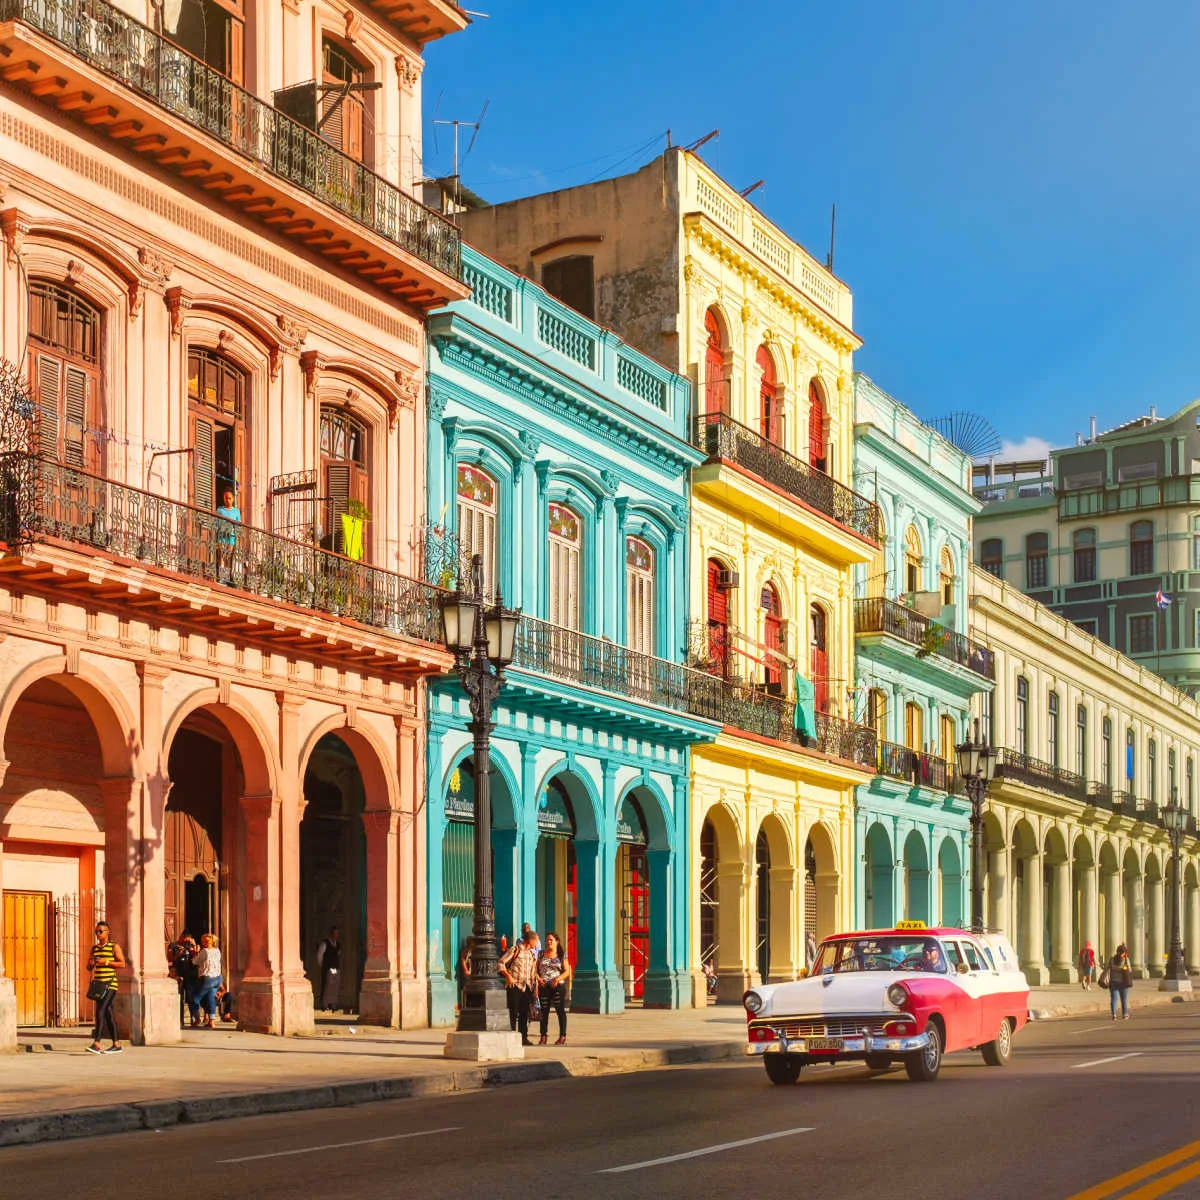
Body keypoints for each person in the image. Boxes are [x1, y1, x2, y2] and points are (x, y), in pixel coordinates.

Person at [87, 921, 126, 1055]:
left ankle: (96, 1043)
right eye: (96, 931)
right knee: (108, 1014)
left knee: (101, 1010)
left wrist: (106, 962)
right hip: (99, 986)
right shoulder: (95, 948)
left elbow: (122, 964)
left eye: (100, 931)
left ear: (107, 932)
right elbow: (89, 967)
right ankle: (117, 1044)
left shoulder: (114, 946)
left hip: (110, 984)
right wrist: (91, 963)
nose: (98, 934)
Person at [499, 927, 539, 1045]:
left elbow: (533, 972)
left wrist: (535, 988)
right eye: (535, 941)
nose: (536, 944)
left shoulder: (532, 954)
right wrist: (508, 976)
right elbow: (501, 963)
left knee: (524, 1013)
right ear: (530, 940)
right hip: (515, 986)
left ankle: (523, 1037)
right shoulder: (515, 950)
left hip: (527, 987)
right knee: (513, 1012)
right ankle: (511, 1037)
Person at [536, 931, 572, 1046]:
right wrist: (538, 979)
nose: (549, 942)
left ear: (557, 942)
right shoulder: (541, 954)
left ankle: (562, 1036)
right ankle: (543, 1036)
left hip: (557, 986)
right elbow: (535, 969)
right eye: (547, 940)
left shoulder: (562, 955)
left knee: (560, 1011)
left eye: (551, 940)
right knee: (544, 1011)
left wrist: (557, 979)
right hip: (544, 986)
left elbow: (567, 971)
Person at [192, 933, 223, 1028]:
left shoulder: (204, 951)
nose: (201, 943)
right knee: (210, 998)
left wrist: (195, 952)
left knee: (195, 998)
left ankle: (197, 1019)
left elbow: (194, 961)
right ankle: (211, 1021)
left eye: (202, 941)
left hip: (207, 979)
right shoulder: (217, 951)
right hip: (218, 978)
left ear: (205, 942)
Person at [215, 487, 240, 581]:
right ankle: (222, 578)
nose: (227, 500)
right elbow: (216, 522)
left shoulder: (236, 511)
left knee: (228, 556)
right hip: (221, 535)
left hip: (231, 536)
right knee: (221, 555)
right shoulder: (220, 510)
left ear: (233, 499)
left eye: (229, 498)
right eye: (225, 498)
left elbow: (238, 524)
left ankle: (226, 578)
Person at [317, 927, 342, 1012]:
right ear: (331, 934)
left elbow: (338, 955)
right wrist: (323, 965)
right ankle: (324, 1005)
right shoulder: (325, 943)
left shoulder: (338, 944)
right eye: (334, 933)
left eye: (337, 934)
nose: (336, 935)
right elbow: (320, 956)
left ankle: (333, 1004)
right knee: (327, 985)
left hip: (336, 968)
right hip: (328, 968)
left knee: (335, 986)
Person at [1107, 944, 1133, 1020]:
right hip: (1123, 982)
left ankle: (1114, 1014)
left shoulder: (1112, 959)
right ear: (1124, 953)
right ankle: (1125, 1014)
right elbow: (1130, 970)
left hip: (1113, 981)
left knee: (1114, 999)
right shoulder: (1126, 960)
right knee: (1124, 999)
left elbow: (1108, 968)